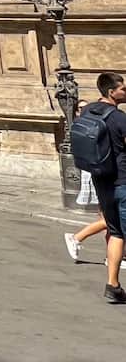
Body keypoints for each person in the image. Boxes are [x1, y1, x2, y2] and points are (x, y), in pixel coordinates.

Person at [69, 71, 126, 302]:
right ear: (111, 92)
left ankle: (113, 285)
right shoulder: (118, 117)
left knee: (116, 232)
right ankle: (112, 286)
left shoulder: (87, 110)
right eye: (123, 89)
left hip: (101, 180)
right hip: (122, 181)